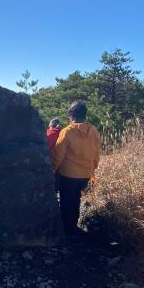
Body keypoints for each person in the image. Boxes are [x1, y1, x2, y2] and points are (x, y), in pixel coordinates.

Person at [52, 101, 100, 237]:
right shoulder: (94, 131)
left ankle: (67, 231)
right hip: (85, 175)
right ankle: (73, 228)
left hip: (68, 175)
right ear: (85, 115)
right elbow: (96, 154)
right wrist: (92, 169)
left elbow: (58, 156)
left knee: (66, 202)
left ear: (71, 116)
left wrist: (52, 171)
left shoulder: (66, 132)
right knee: (76, 200)